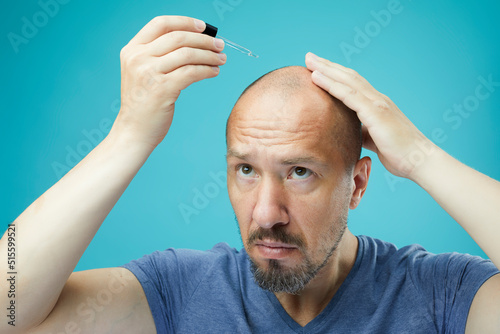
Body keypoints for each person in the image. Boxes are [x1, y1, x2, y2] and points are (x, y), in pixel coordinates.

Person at [1, 15, 499, 334]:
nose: (266, 213)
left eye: (299, 171)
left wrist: (419, 156)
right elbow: (7, 309)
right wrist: (128, 136)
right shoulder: (178, 292)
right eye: (245, 169)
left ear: (358, 184)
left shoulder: (441, 295)